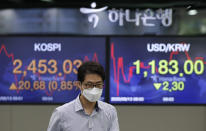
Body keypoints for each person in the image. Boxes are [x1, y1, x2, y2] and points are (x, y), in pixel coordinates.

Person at [47, 61, 119, 131]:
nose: (94, 89)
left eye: (98, 84)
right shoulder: (62, 113)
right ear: (79, 85)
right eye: (89, 85)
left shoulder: (110, 111)